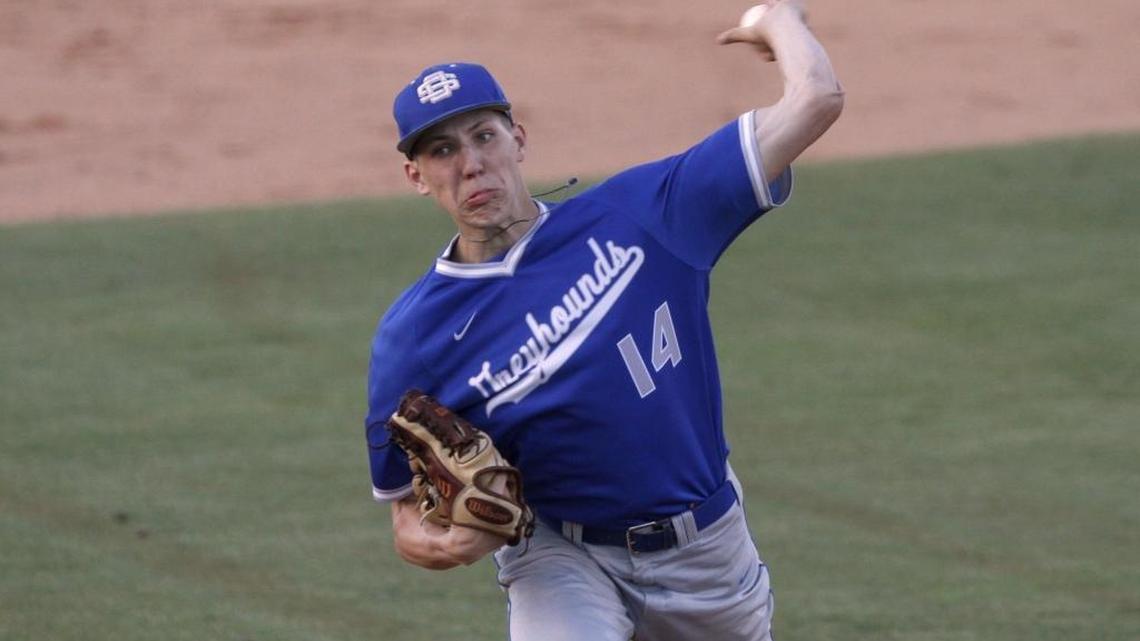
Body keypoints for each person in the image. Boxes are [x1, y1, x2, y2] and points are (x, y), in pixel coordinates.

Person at [364, 1, 843, 639]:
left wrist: (778, 21)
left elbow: (817, 99)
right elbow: (404, 516)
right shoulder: (413, 337)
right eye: (442, 150)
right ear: (416, 176)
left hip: (709, 553)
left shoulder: (641, 216)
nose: (471, 163)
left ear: (519, 139)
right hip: (562, 555)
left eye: (484, 135)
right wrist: (444, 545)